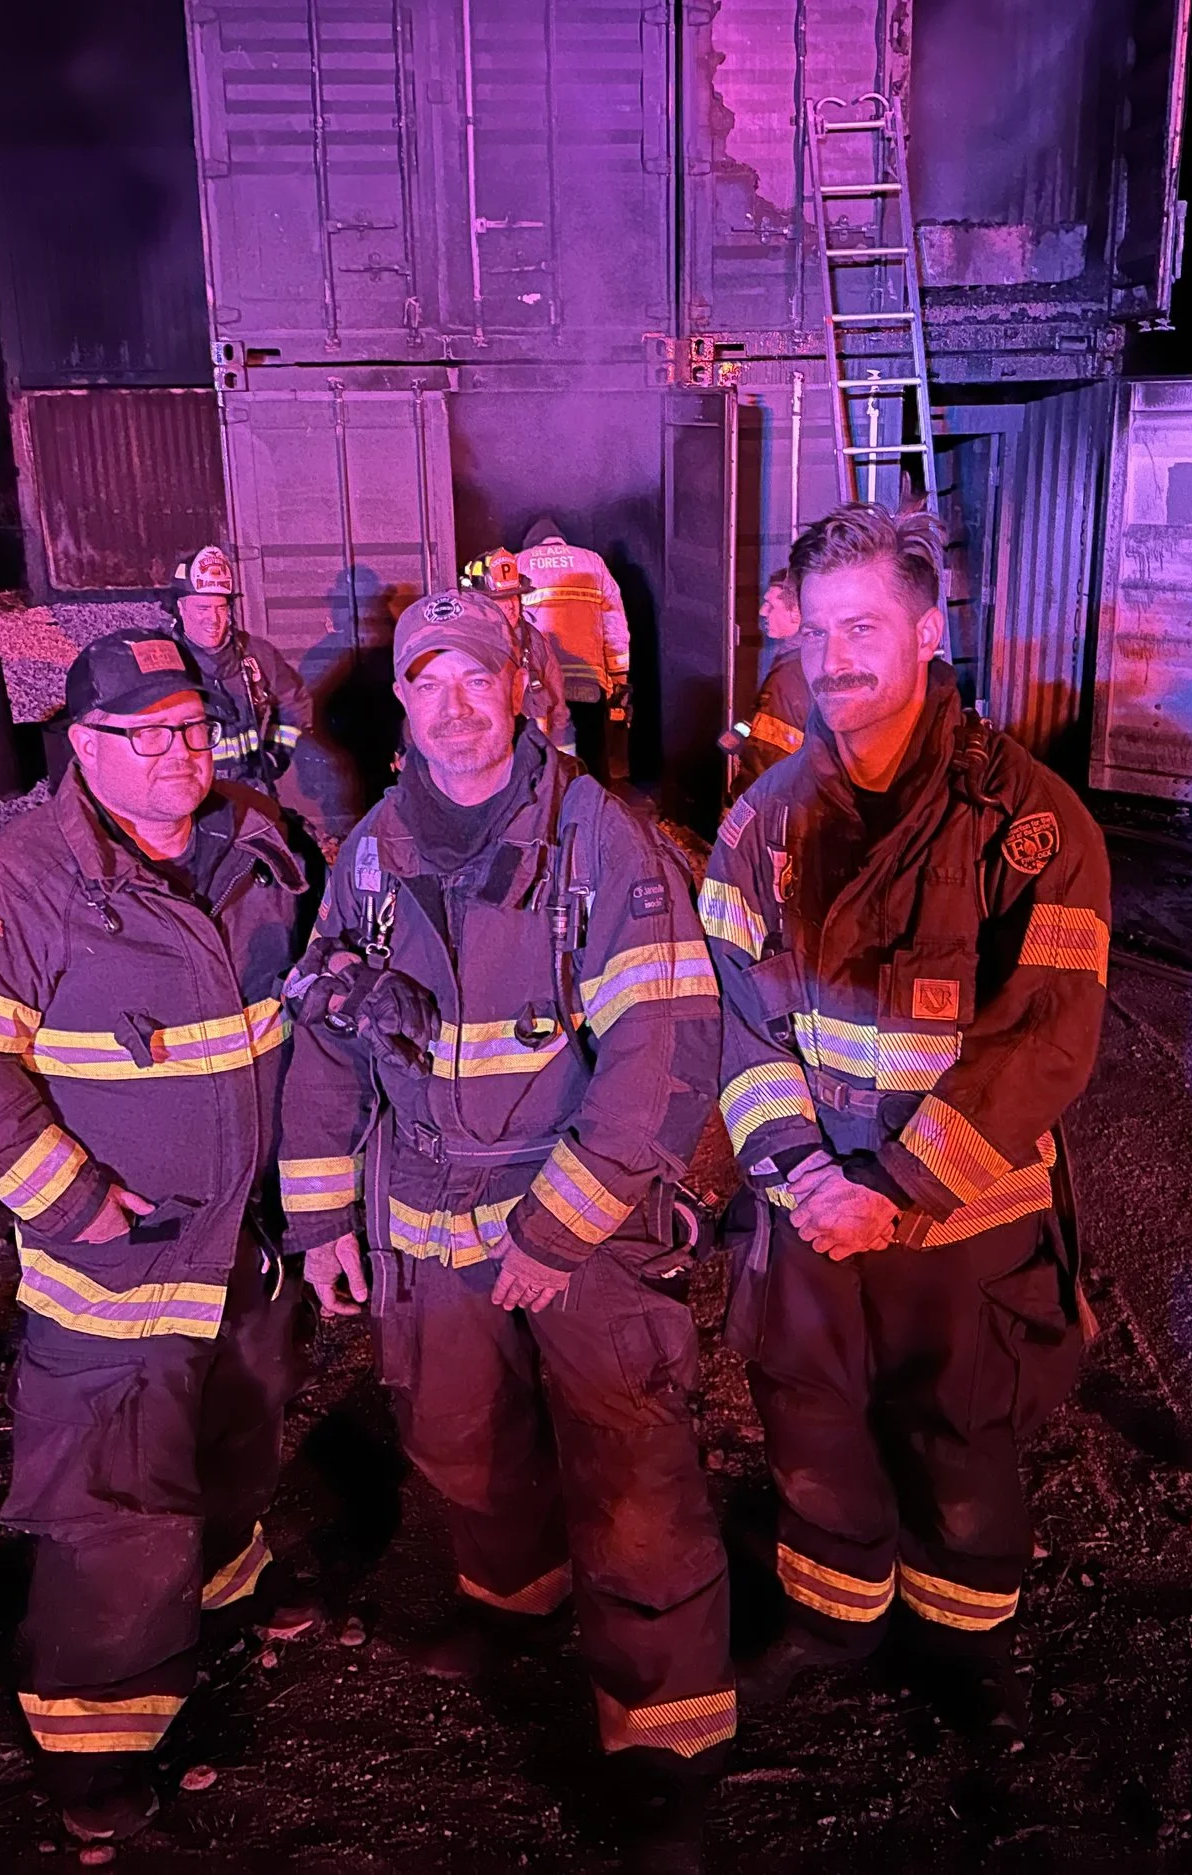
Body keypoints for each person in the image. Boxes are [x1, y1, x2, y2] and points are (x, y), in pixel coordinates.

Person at [276, 588, 731, 1867]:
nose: (455, 706)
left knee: (630, 1472)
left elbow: (661, 1050)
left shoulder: (601, 842)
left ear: (521, 687)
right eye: (429, 683)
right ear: (402, 705)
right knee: (457, 1437)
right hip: (425, 1214)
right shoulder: (372, 854)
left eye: (477, 677)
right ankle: (516, 1602)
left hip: (579, 1215)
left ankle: (666, 1747)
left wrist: (559, 1229)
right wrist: (320, 1216)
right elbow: (329, 1041)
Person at [0, 627, 315, 1847]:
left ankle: (224, 1582)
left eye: (193, 726)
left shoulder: (256, 840)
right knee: (111, 1502)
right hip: (119, 1266)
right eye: (148, 733)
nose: (182, 751)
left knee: (238, 1430)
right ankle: (94, 1747)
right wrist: (69, 1202)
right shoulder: (18, 882)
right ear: (84, 744)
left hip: (246, 1244)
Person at [697, 503, 1110, 1752]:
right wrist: (799, 1172)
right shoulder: (762, 824)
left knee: (960, 1436)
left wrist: (892, 1187)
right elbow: (738, 1024)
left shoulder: (1029, 823)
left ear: (929, 633)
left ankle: (965, 1645)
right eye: (818, 632)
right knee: (811, 1421)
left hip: (957, 1217)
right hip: (812, 1210)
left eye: (865, 628)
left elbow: (1045, 1039)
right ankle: (833, 1623)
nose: (835, 659)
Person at [168, 542, 312, 792]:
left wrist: (275, 755)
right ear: (181, 607)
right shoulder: (164, 659)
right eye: (202, 608)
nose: (213, 619)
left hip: (250, 790)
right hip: (190, 794)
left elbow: (295, 701)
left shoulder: (256, 654)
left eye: (221, 608)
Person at [514, 517, 633, 783]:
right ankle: (595, 801)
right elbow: (615, 625)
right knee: (593, 748)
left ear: (532, 544)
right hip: (588, 676)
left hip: (539, 680)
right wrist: (619, 677)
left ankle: (549, 800)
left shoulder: (518, 562)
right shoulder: (592, 562)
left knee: (541, 750)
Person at [464, 546, 576, 756]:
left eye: (514, 597)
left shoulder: (532, 640)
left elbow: (556, 696)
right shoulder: (464, 645)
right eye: (499, 599)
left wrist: (559, 754)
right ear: (479, 603)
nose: (510, 605)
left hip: (532, 751)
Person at [721, 570, 809, 797]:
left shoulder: (790, 677)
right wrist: (741, 732)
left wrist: (739, 801)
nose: (762, 612)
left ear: (796, 612)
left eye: (771, 605)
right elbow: (768, 722)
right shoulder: (802, 659)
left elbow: (769, 757)